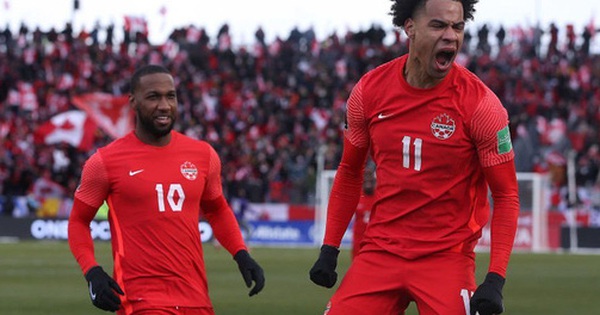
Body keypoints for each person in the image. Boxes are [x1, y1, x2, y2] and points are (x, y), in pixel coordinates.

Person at [309, 1, 520, 315]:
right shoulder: (368, 91)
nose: (451, 36)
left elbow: (506, 194)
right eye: (438, 26)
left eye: (457, 27)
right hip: (380, 252)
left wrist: (496, 278)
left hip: (447, 259)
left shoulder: (482, 107)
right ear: (410, 28)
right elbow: (349, 171)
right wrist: (330, 248)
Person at [68, 64, 265, 315]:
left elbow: (217, 209)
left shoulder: (203, 155)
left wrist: (241, 254)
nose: (164, 105)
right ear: (133, 102)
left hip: (197, 300)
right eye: (153, 97)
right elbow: (78, 221)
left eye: (170, 96)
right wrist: (92, 271)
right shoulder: (104, 162)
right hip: (141, 302)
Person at [351, 169, 376, 259]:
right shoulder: (357, 196)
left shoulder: (379, 196)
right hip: (359, 238)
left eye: (370, 177)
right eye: (366, 177)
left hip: (375, 238)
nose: (368, 180)